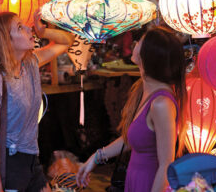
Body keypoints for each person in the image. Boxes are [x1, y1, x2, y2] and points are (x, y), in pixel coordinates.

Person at [77, 26, 187, 192]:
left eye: (140, 42)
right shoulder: (142, 89)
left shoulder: (161, 103)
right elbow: (133, 136)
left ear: (149, 55)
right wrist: (96, 157)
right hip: (134, 179)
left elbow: (166, 165)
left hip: (149, 184)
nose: (135, 44)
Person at [0, 11, 74, 192]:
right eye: (20, 27)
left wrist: (44, 33)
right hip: (9, 164)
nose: (30, 30)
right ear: (6, 40)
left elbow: (66, 41)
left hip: (32, 159)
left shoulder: (29, 64)